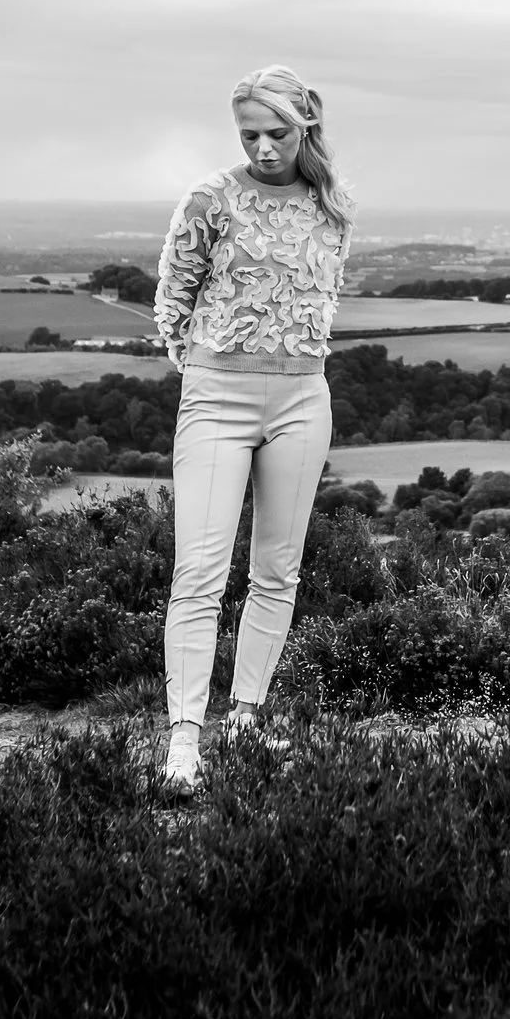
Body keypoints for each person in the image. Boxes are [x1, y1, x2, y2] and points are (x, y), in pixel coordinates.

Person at [151, 64, 355, 788]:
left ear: (306, 127)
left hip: (303, 397)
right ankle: (183, 739)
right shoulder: (210, 197)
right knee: (199, 574)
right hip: (217, 396)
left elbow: (318, 303)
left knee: (277, 571)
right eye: (249, 134)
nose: (263, 147)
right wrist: (205, 372)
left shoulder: (333, 209)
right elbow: (172, 298)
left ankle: (246, 719)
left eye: (277, 133)